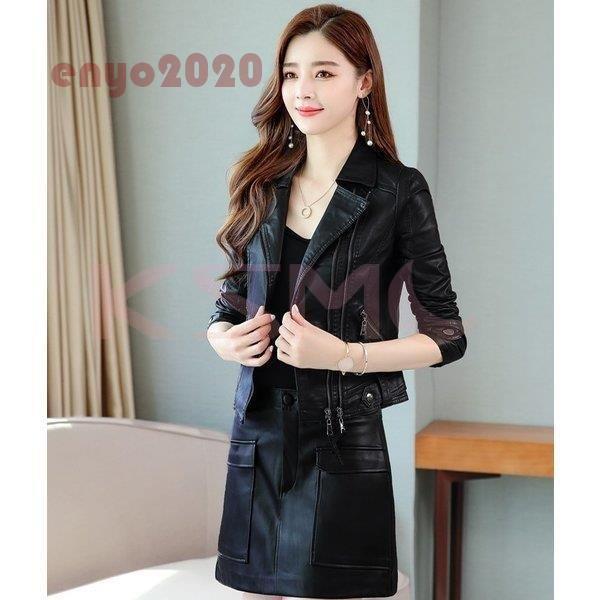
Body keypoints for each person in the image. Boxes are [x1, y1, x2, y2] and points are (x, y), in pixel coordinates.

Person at [206, 4, 467, 598]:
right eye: (291, 73)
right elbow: (228, 303)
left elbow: (447, 335)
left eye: (324, 73)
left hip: (341, 436)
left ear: (364, 81)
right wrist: (223, 339)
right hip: (258, 433)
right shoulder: (258, 181)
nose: (303, 89)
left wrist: (345, 355)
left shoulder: (397, 190)